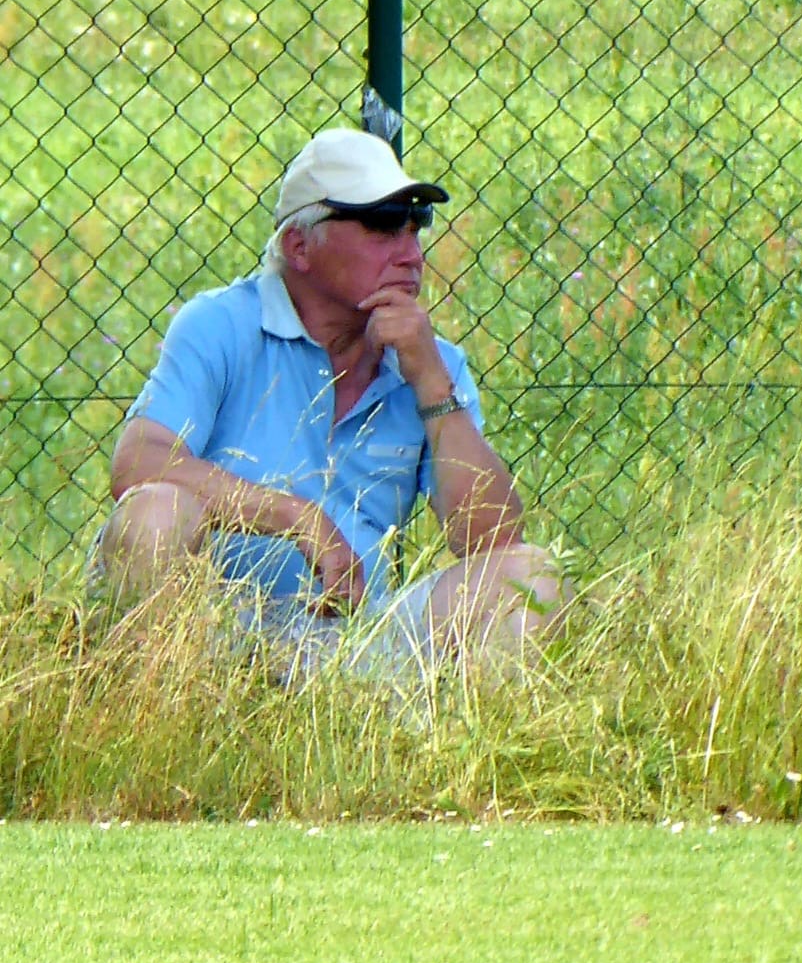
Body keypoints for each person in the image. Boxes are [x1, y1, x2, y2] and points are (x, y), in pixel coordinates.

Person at [94, 126, 568, 674]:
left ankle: (453, 733)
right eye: (383, 225)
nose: (412, 255)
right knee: (155, 513)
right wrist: (295, 517)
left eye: (415, 227)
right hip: (208, 631)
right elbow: (139, 463)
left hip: (352, 643)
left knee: (530, 576)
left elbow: (493, 539)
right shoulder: (221, 324)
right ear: (299, 246)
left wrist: (434, 388)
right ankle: (167, 715)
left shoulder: (433, 365)